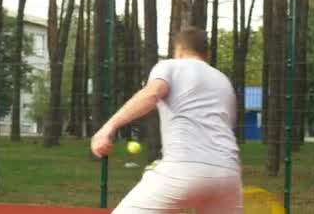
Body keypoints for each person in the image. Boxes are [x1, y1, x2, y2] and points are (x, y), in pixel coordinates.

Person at [91, 27, 242, 214]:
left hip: (184, 168)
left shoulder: (170, 66)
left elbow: (151, 94)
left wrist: (108, 127)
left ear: (178, 50)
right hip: (228, 173)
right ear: (206, 54)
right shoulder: (223, 81)